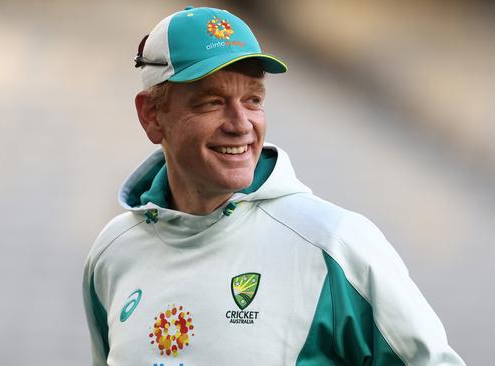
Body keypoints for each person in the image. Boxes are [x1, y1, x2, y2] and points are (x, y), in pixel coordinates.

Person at [82, 6, 466, 366]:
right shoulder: (113, 254)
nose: (241, 123)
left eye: (253, 100)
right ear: (152, 116)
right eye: (212, 102)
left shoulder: (335, 246)